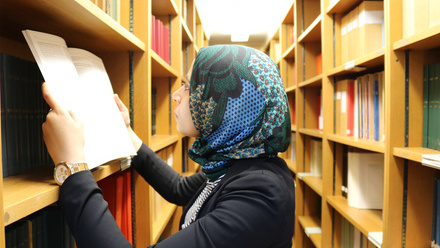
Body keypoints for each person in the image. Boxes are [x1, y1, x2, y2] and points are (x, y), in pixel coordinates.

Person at [42, 44, 295, 248]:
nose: (176, 94)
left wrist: (73, 167)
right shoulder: (237, 162)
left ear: (227, 106)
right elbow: (179, 188)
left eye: (189, 86)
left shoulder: (262, 193)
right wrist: (128, 135)